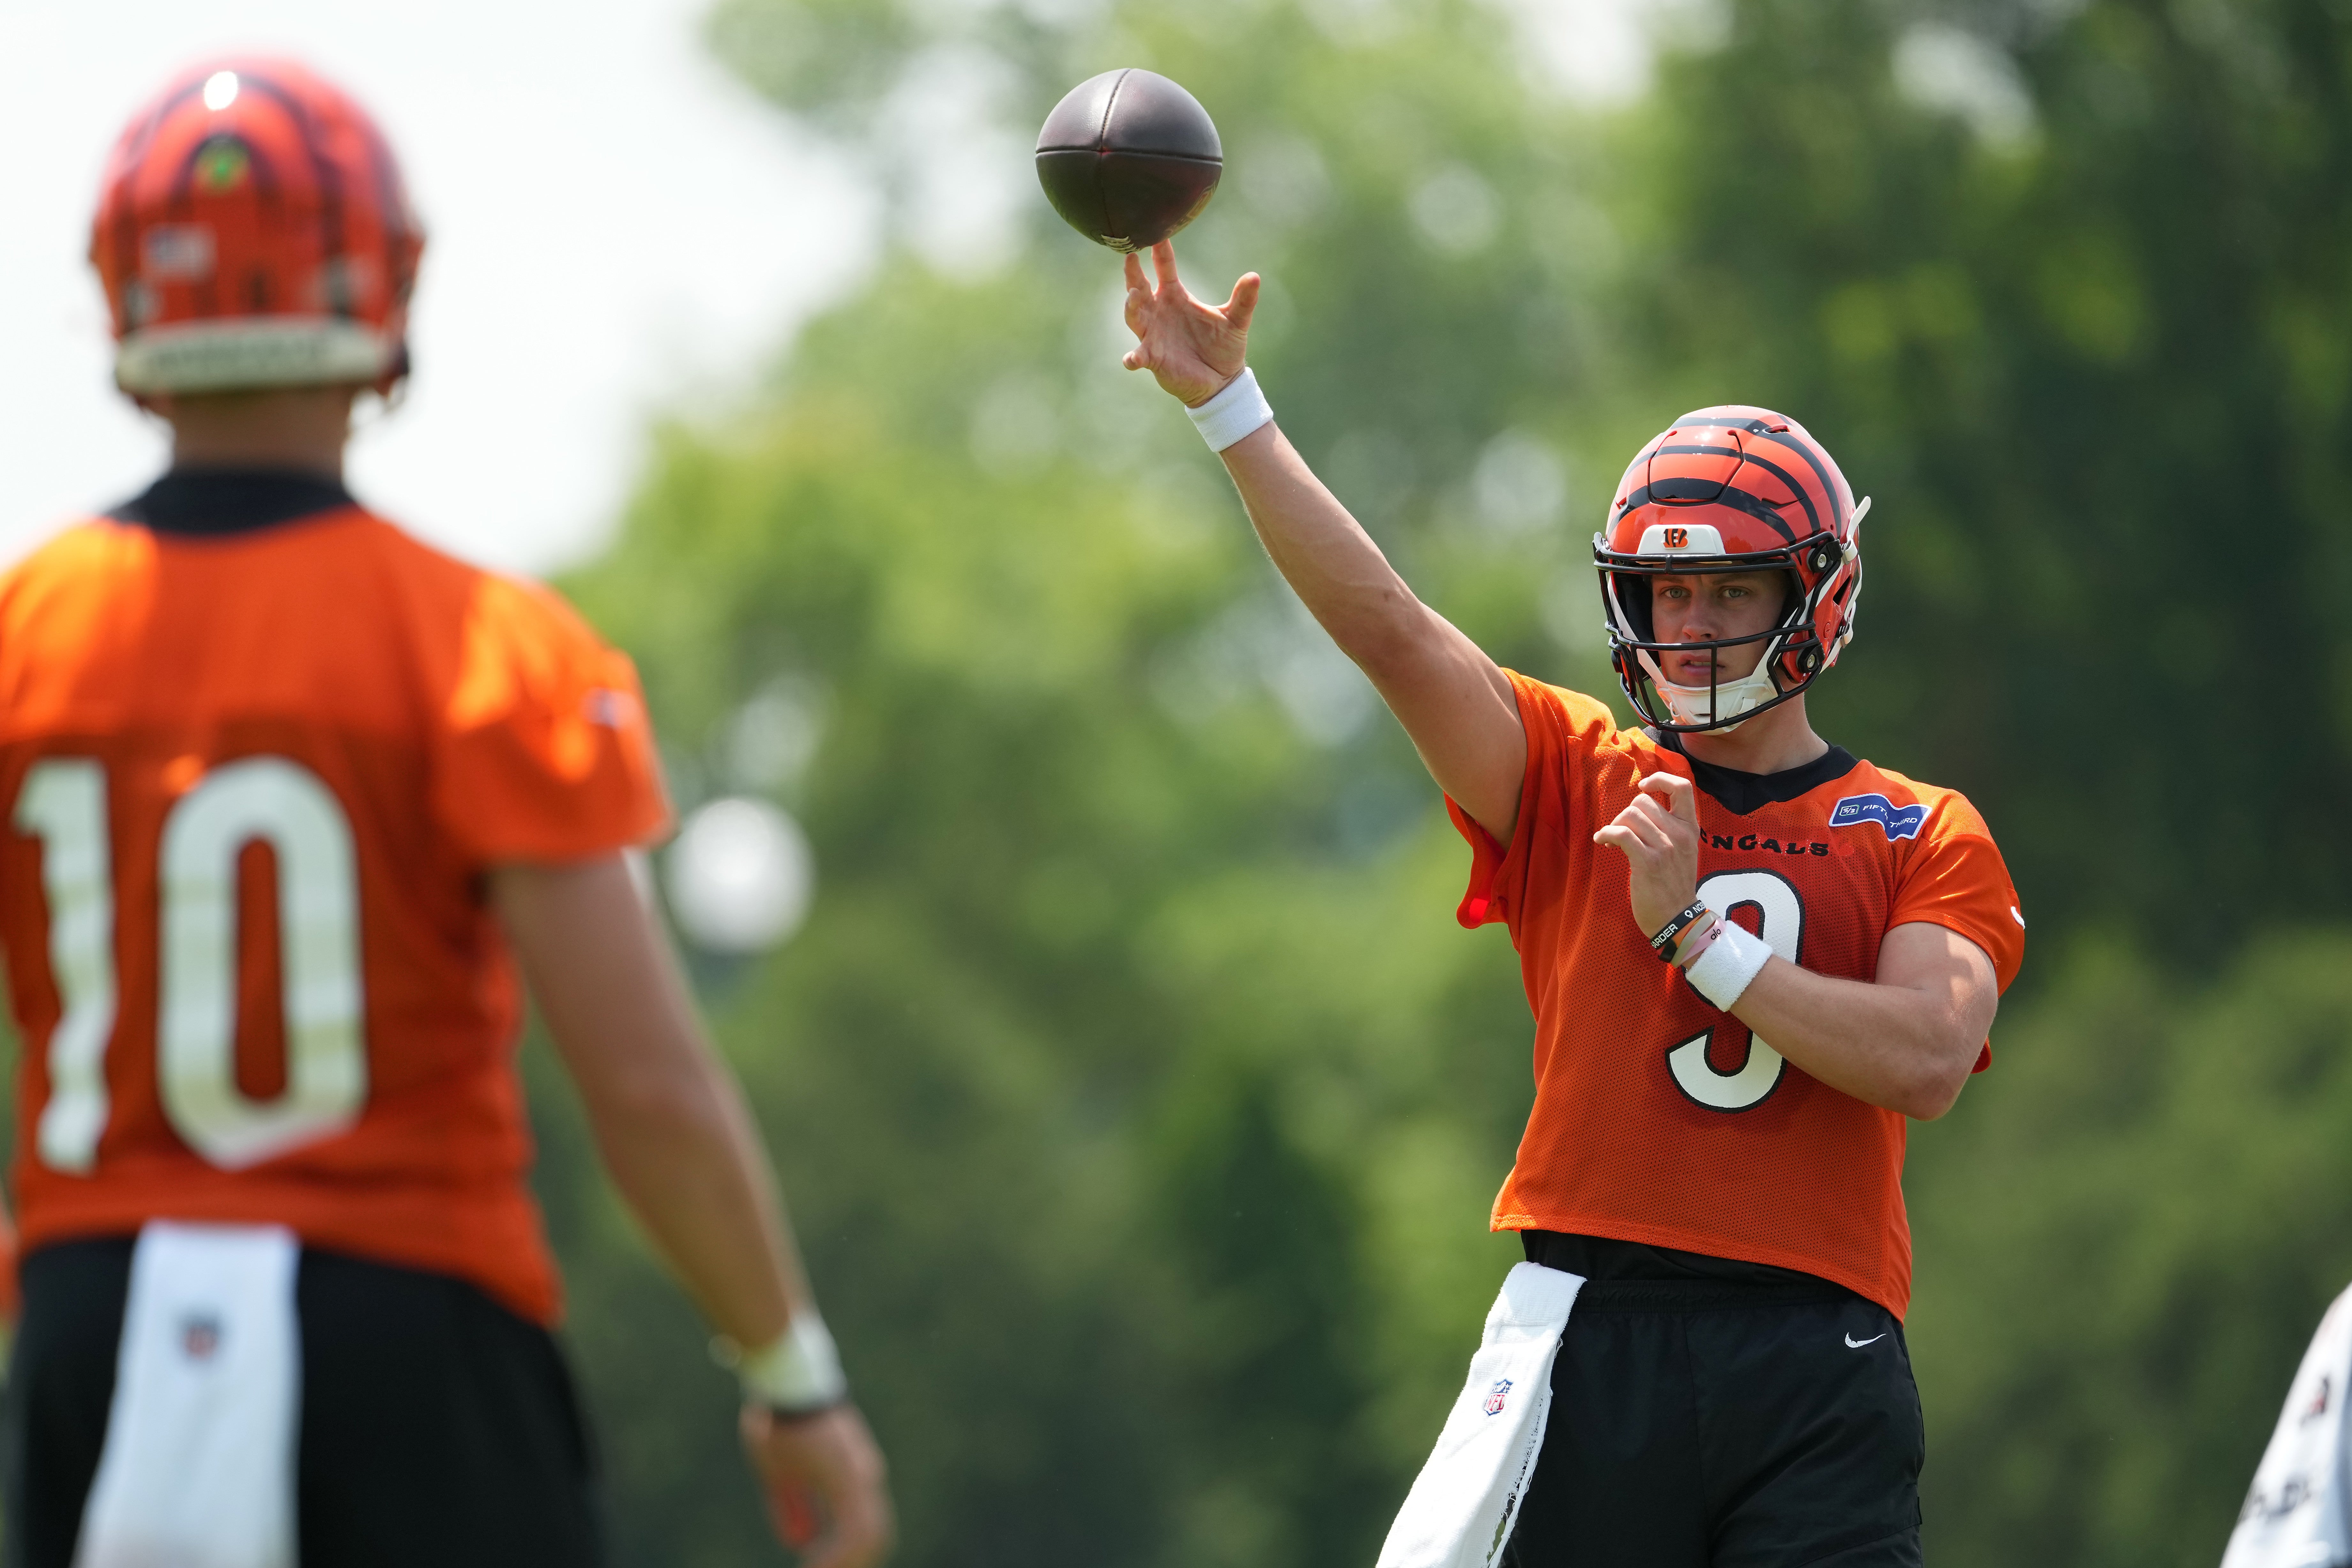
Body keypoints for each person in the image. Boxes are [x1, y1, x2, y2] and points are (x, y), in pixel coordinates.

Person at [0, 59, 891, 1568]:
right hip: (404, 1322)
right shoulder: (477, 644)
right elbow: (649, 1088)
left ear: (128, 299)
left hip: (93, 1318)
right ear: (381, 288)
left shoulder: (27, 635)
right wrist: (792, 1374)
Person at [1120, 240, 2026, 1565]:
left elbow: (1931, 1054)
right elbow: (1393, 630)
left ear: (1816, 594)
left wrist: (1698, 938)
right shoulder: (1575, 774)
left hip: (1817, 1351)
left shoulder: (1917, 825)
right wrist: (1229, 411)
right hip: (1586, 1330)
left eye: (1732, 588)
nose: (1697, 624)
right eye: (1671, 591)